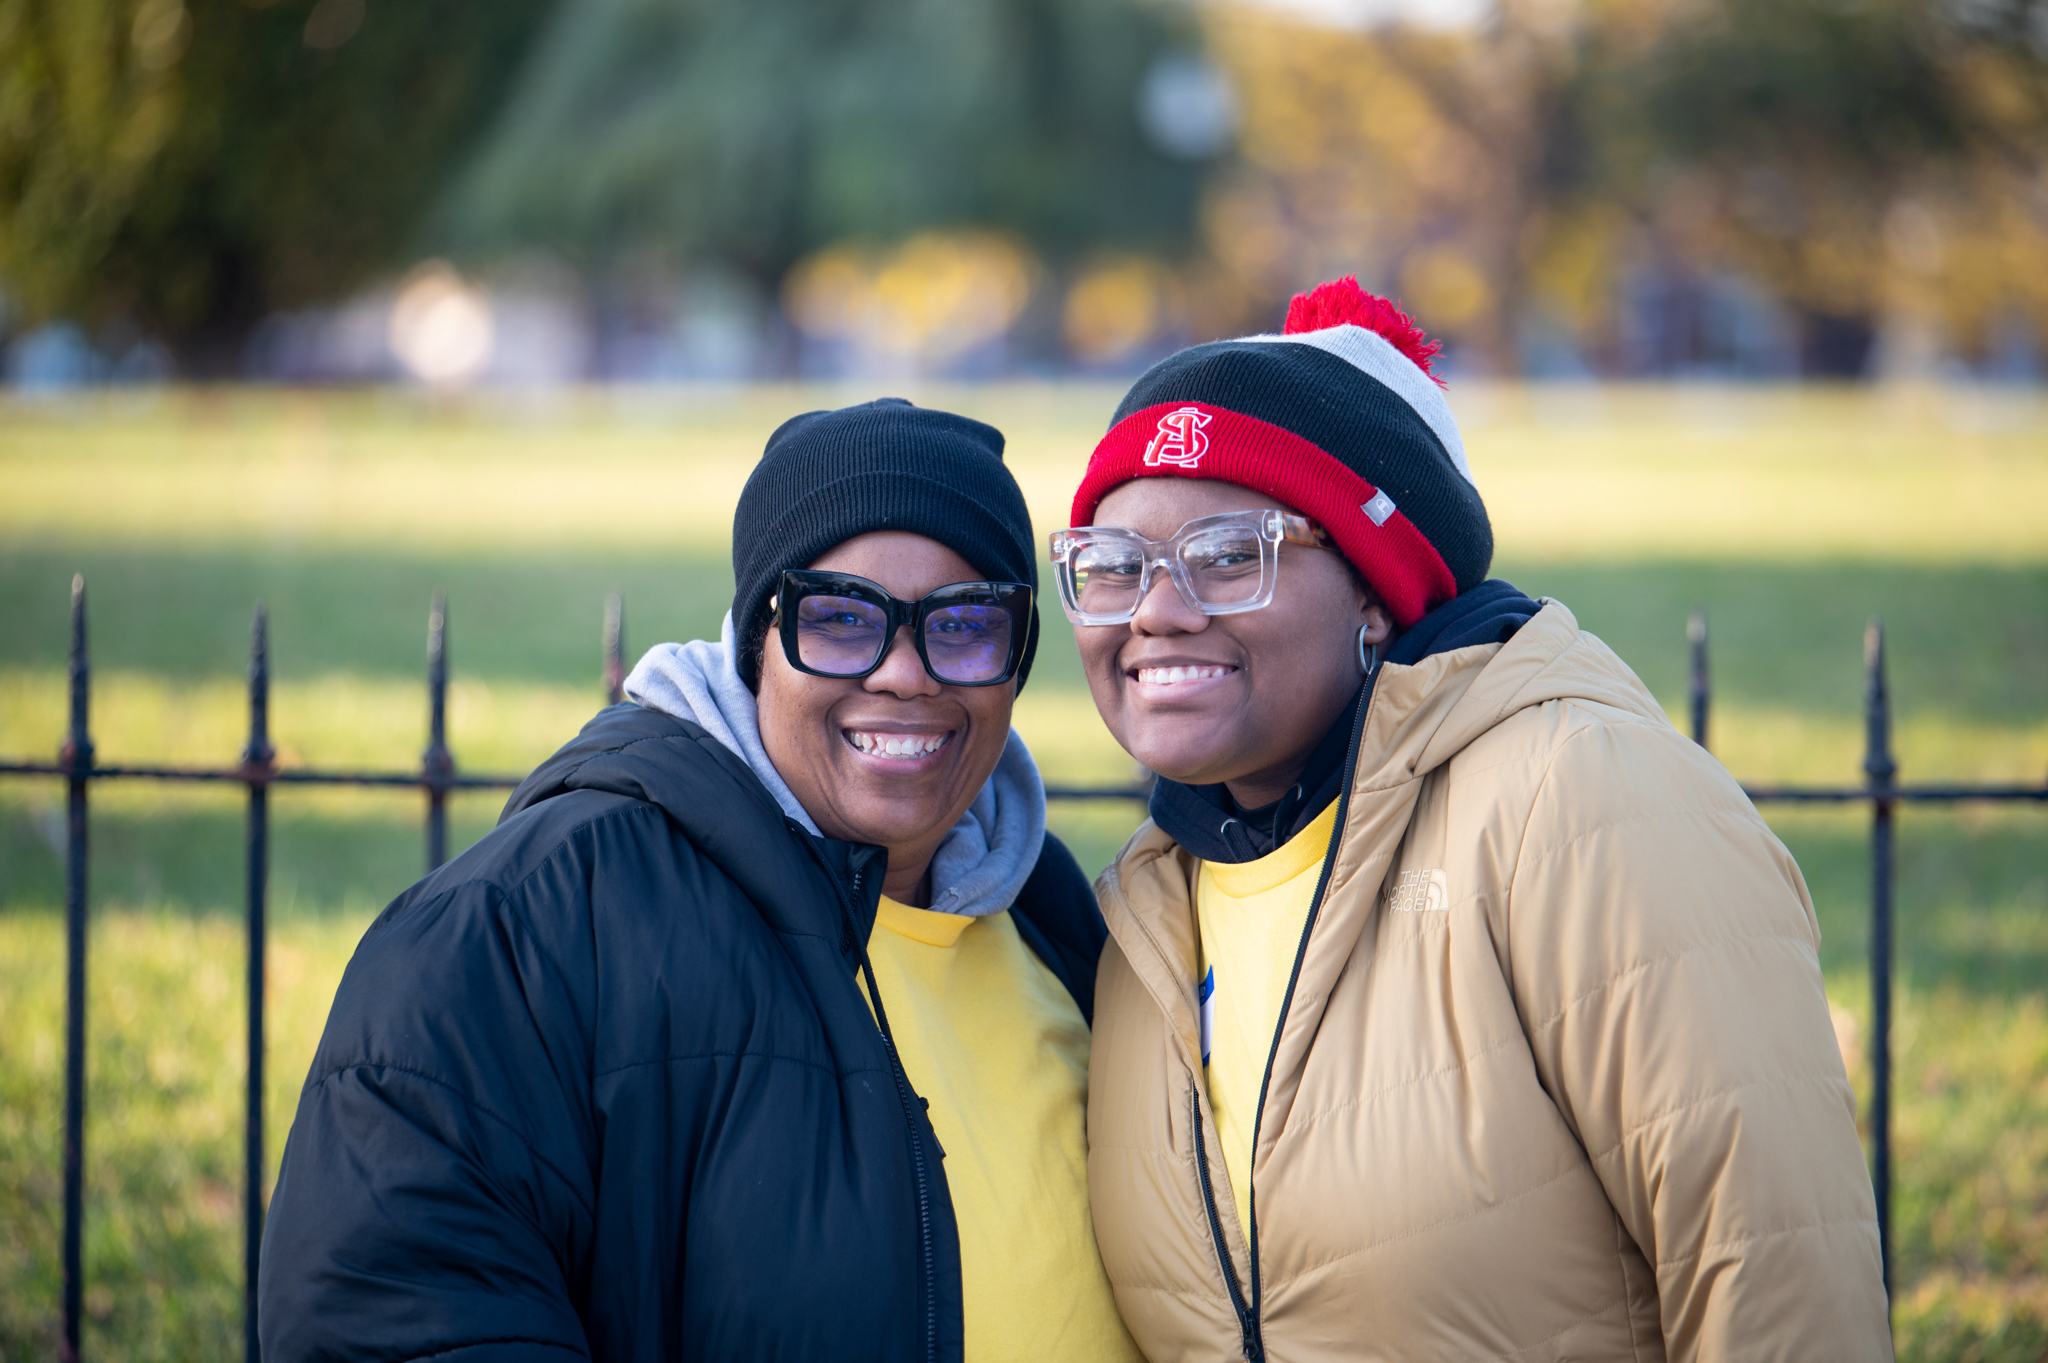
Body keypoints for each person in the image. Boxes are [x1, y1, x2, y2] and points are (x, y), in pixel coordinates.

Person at [1056, 279, 1893, 1360]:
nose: (1156, 608)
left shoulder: (1579, 798)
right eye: (1112, 565)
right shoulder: (1147, 908)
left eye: (1228, 553)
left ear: (1375, 587)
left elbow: (1778, 1282)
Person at [260, 399, 1142, 1363]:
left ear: (1017, 658)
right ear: (756, 640)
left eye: (967, 624)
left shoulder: (1064, 925)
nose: (904, 672)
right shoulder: (532, 923)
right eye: (842, 619)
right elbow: (394, 1311)